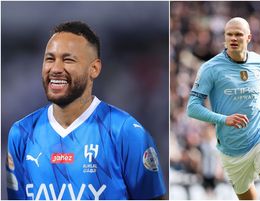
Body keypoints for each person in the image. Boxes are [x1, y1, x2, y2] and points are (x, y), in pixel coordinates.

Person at [6, 21, 166, 200]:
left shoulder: (125, 132)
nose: (56, 69)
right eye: (50, 59)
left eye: (68, 60)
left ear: (94, 69)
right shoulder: (21, 133)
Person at [187, 17, 260, 200]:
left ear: (249, 38)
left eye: (238, 34)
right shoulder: (210, 68)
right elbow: (192, 108)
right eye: (229, 34)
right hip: (232, 149)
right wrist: (224, 119)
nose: (233, 38)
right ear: (224, 38)